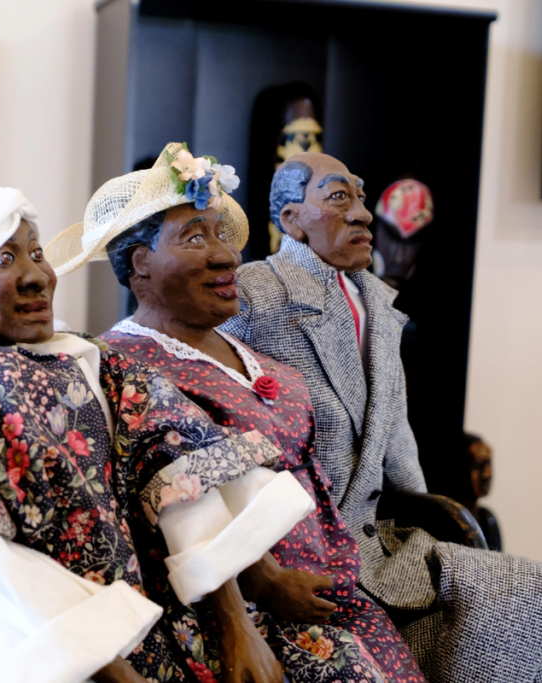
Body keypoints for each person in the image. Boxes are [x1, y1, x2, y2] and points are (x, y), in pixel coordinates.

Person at [0, 187, 312, 683]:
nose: (36, 276)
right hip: (33, 647)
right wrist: (103, 667)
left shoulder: (86, 359)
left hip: (140, 619)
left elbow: (179, 467)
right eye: (3, 259)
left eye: (36, 254)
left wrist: (234, 622)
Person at [46, 143, 425, 683]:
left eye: (222, 234)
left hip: (338, 591)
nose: (226, 256)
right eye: (195, 238)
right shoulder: (119, 367)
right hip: (229, 612)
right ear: (139, 266)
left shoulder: (264, 362)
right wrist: (255, 592)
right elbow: (155, 509)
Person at [220, 153, 542, 683]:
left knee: (520, 603)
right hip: (306, 546)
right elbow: (211, 407)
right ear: (291, 219)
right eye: (339, 197)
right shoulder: (256, 294)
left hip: (380, 540)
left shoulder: (375, 301)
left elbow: (396, 434)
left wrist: (427, 516)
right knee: (495, 603)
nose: (361, 213)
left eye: (360, 196)